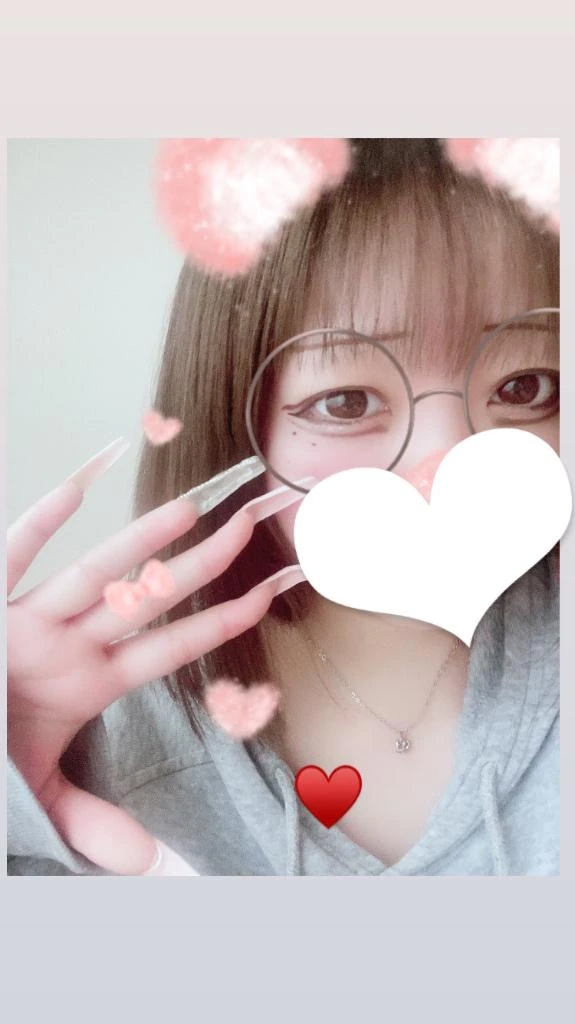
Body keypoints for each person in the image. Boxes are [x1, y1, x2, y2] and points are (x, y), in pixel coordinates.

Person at [7, 138, 560, 876]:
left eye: (525, 387)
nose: (454, 463)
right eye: (347, 402)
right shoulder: (90, 730)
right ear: (234, 429)